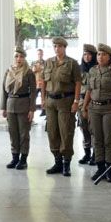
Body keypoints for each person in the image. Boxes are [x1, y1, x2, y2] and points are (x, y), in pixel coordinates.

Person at [82, 44, 111, 182]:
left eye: (104, 55)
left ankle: (109, 170)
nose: (101, 57)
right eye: (99, 54)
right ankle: (100, 168)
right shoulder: (92, 70)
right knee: (97, 139)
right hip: (94, 108)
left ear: (109, 57)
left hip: (110, 108)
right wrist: (84, 107)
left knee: (109, 140)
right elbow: (89, 90)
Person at [42, 37, 82, 177]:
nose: (57, 48)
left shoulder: (72, 63)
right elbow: (43, 82)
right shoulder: (48, 62)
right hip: (51, 102)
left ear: (65, 47)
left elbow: (78, 82)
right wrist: (43, 99)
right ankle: (57, 161)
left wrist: (76, 101)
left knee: (66, 131)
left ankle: (66, 163)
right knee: (52, 131)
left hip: (66, 101)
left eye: (59, 46)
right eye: (55, 46)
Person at [1, 47, 36, 171]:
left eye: (21, 56)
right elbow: (3, 90)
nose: (18, 59)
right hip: (11, 104)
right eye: (16, 56)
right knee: (13, 132)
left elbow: (33, 92)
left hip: (24, 105)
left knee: (23, 133)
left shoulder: (29, 72)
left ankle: (23, 159)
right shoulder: (8, 71)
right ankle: (15, 156)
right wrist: (3, 107)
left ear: (24, 58)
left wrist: (32, 110)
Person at [77, 44, 98, 166]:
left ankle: (96, 154)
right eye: (85, 54)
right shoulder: (79, 69)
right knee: (84, 128)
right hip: (80, 102)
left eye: (89, 54)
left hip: (94, 103)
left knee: (94, 129)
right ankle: (87, 153)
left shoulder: (97, 69)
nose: (87, 57)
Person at [33, 48, 45, 116]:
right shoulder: (34, 63)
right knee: (34, 97)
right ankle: (32, 112)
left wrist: (38, 69)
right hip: (36, 83)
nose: (40, 55)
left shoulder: (45, 62)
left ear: (43, 54)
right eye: (38, 54)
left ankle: (44, 111)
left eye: (41, 54)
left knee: (43, 98)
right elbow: (32, 71)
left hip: (43, 83)